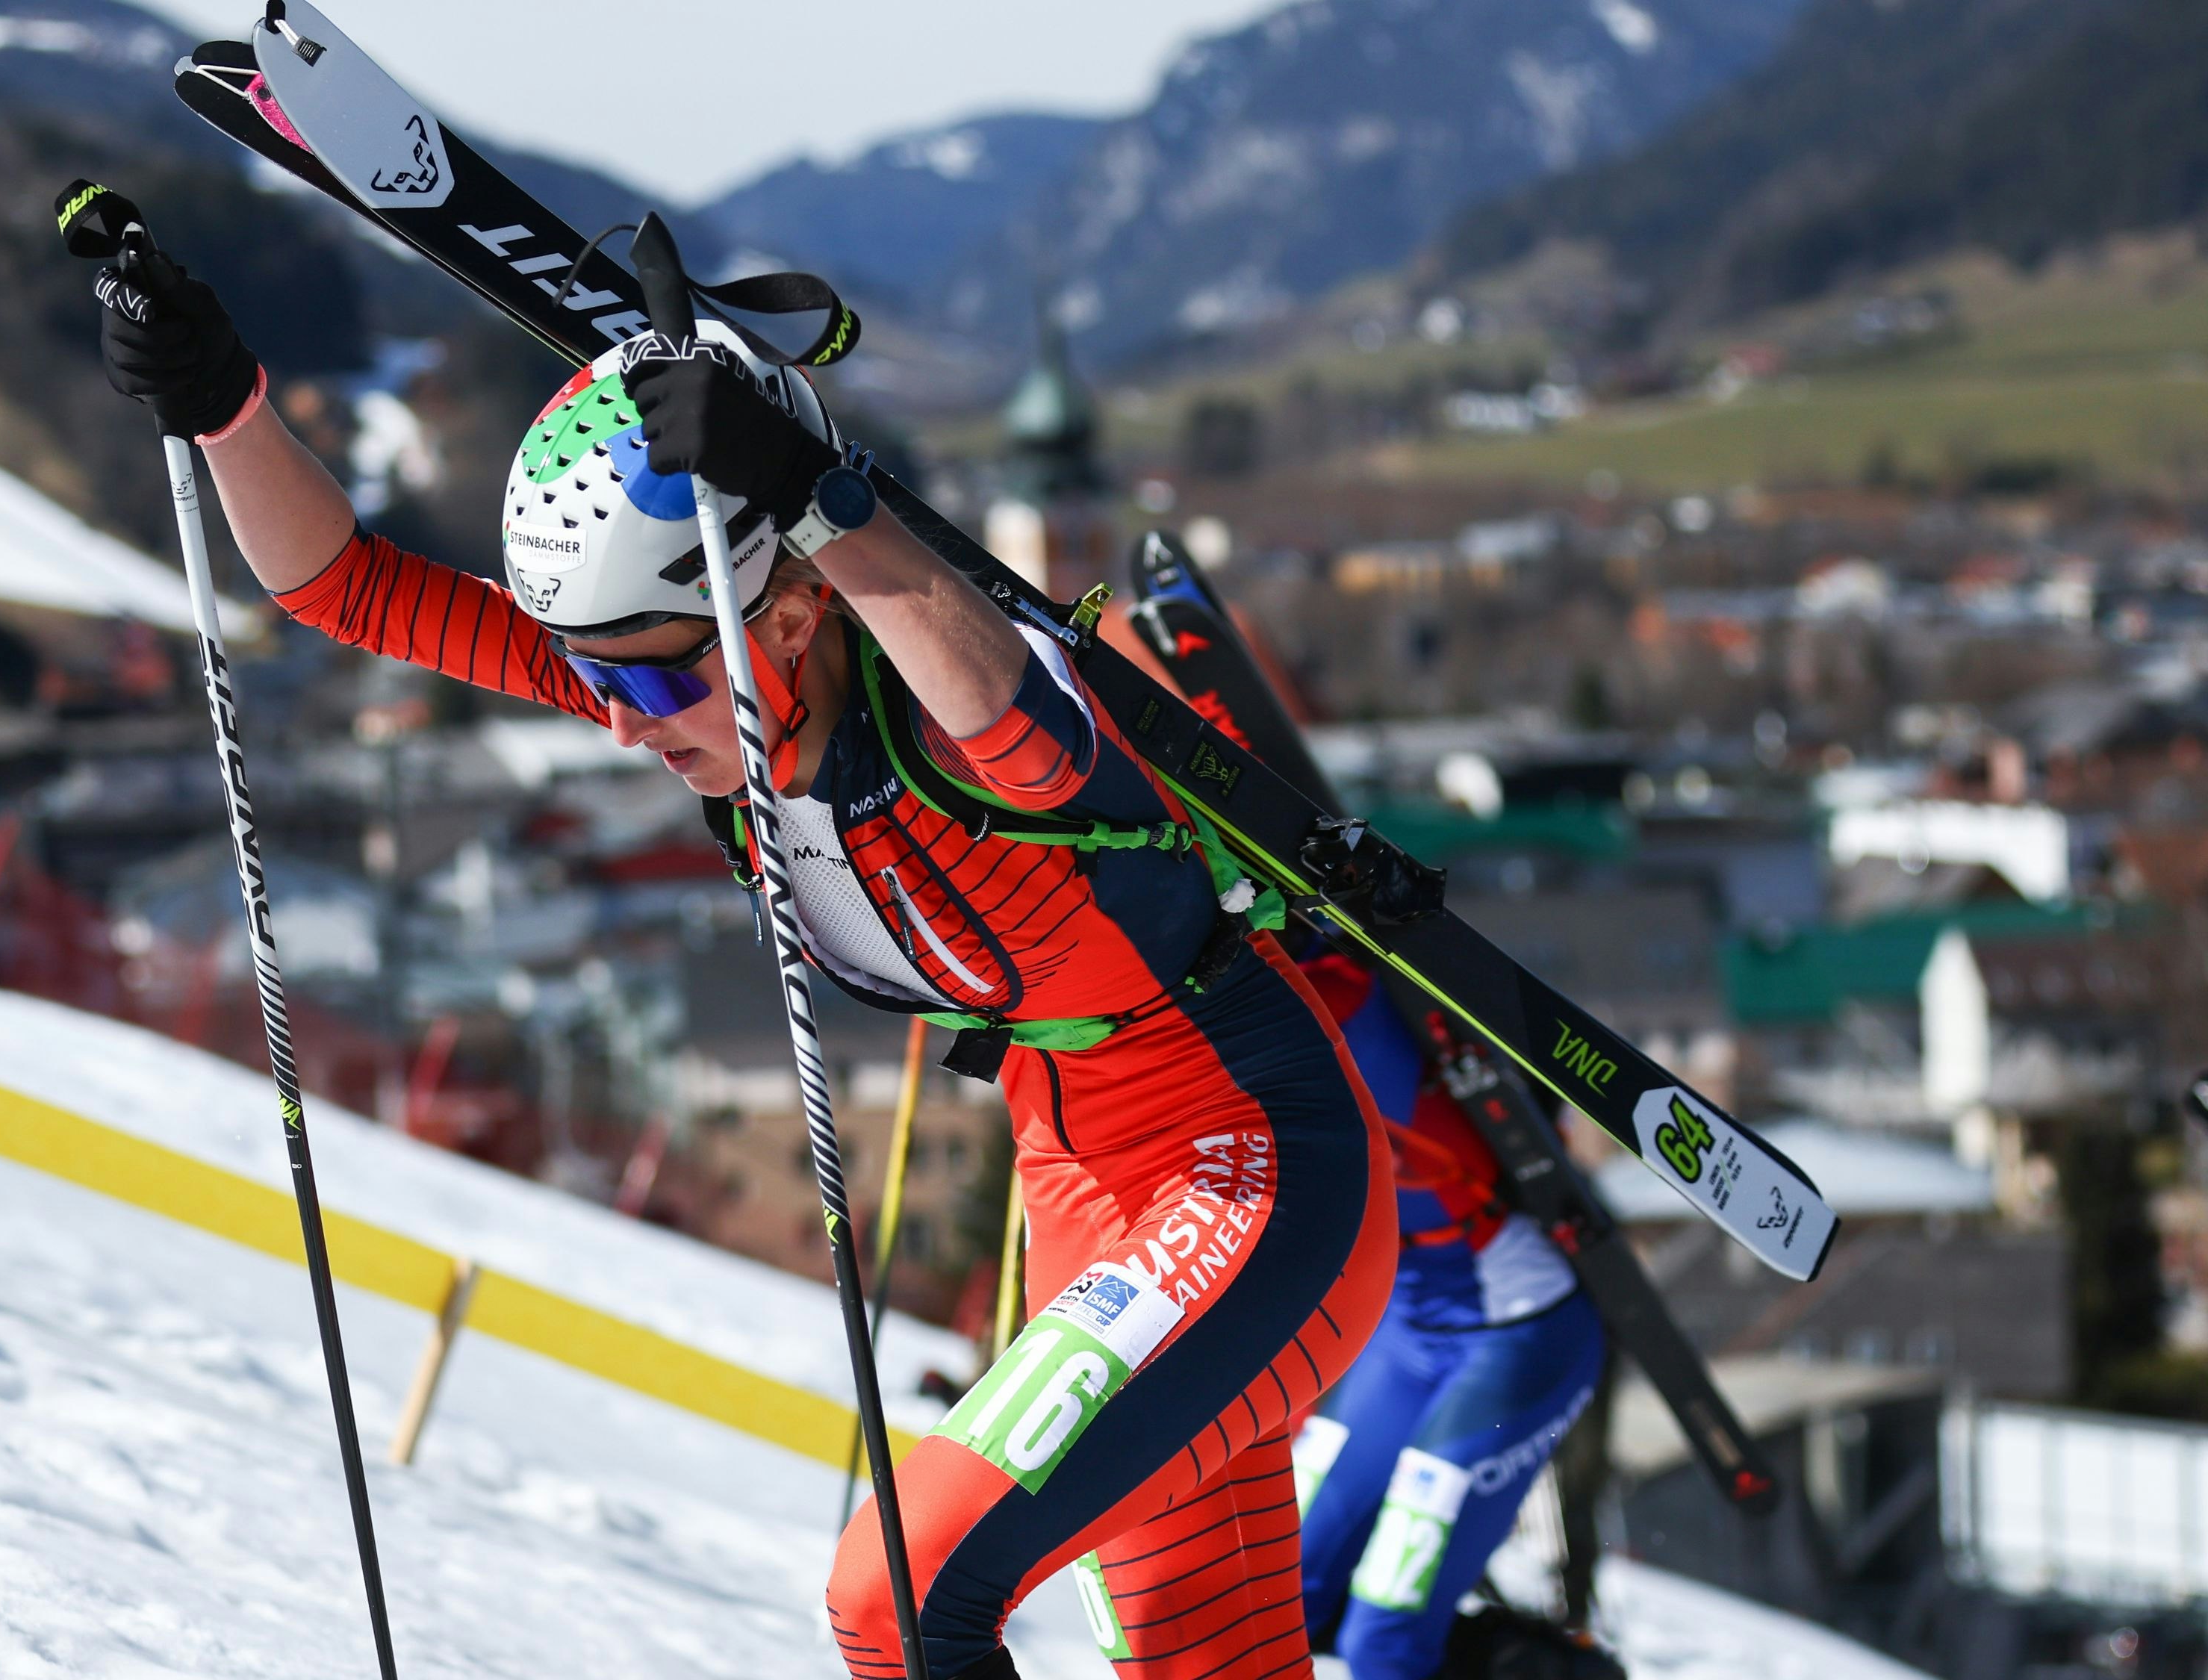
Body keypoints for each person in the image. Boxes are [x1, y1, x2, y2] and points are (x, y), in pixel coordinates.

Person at [91, 241, 1397, 1680]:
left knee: (902, 1597)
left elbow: (1039, 742)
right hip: (1080, 1185)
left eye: (651, 677)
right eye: (595, 678)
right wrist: (227, 410)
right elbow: (347, 589)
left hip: (1245, 1163)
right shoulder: (709, 685)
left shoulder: (935, 686)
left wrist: (824, 503)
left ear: (784, 613)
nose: (628, 722)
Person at [1289, 960, 1605, 1680]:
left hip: (1517, 1340)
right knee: (1281, 1592)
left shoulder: (1338, 996)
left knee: (1386, 1634)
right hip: (1403, 1332)